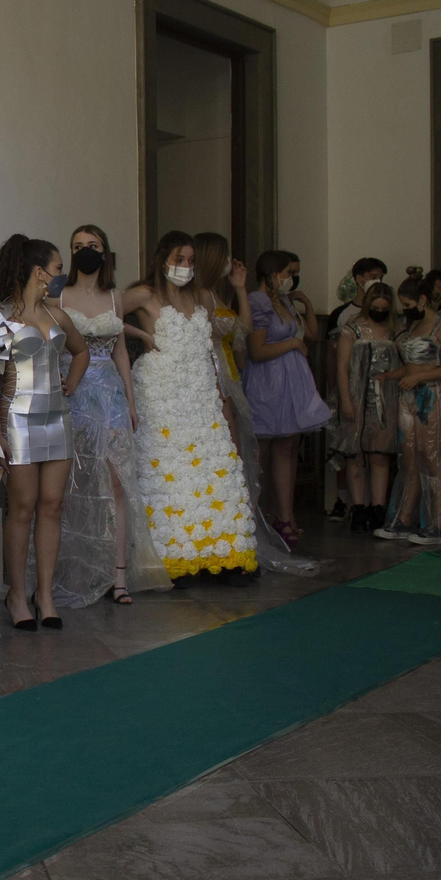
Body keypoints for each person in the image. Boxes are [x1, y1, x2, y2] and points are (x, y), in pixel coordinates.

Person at [124, 232, 258, 578]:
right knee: (170, 475)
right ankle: (172, 557)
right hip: (161, 396)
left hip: (201, 395)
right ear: (161, 259)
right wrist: (140, 335)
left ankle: (221, 552)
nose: (185, 267)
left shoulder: (203, 298)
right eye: (178, 259)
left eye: (190, 261)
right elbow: (101, 316)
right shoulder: (144, 294)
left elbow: (234, 335)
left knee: (215, 472)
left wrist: (219, 396)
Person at [49, 225, 170, 604]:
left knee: (116, 481)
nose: (86, 251)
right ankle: (73, 568)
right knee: (71, 484)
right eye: (78, 246)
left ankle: (118, 575)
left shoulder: (116, 297)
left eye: (93, 245)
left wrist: (131, 402)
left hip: (111, 396)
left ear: (105, 252)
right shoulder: (59, 294)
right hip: (73, 391)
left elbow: (120, 350)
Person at [0, 236, 89, 630]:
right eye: (58, 268)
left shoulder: (59, 317)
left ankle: (45, 594)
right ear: (39, 271)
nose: (62, 275)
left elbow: (82, 351)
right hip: (17, 421)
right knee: (22, 508)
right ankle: (17, 594)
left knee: (52, 506)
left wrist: (70, 385)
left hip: (57, 417)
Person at [191, 234, 318, 577]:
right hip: (212, 375)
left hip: (229, 373)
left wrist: (241, 288)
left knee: (242, 455)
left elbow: (243, 329)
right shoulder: (199, 295)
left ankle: (245, 527)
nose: (232, 261)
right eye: (226, 256)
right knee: (240, 454)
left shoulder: (220, 294)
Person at [243, 250, 330, 548]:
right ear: (272, 273)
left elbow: (312, 334)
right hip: (266, 382)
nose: (292, 278)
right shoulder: (258, 301)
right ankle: (252, 516)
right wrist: (293, 343)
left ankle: (286, 514)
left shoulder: (285, 302)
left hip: (291, 381)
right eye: (289, 272)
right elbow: (256, 351)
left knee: (289, 447)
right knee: (260, 451)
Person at [373, 274, 441, 545]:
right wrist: (389, 376)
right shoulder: (412, 329)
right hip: (408, 395)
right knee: (409, 458)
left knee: (432, 457)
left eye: (408, 303)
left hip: (431, 396)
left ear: (423, 300)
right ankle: (403, 518)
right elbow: (411, 366)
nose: (405, 309)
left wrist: (420, 378)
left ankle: (436, 524)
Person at [329, 281, 401, 534]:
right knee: (355, 455)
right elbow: (341, 367)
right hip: (356, 396)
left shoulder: (394, 331)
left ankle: (378, 507)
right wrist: (345, 399)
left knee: (380, 454)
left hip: (385, 399)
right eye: (376, 307)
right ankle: (358, 507)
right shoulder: (352, 330)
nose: (379, 311)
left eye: (384, 308)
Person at [325, 258, 388, 521]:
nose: (378, 281)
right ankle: (347, 501)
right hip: (349, 392)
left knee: (378, 451)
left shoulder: (390, 320)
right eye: (373, 275)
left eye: (381, 276)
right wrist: (338, 396)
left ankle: (377, 507)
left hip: (381, 395)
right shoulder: (344, 317)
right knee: (348, 450)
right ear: (359, 278)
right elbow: (335, 362)